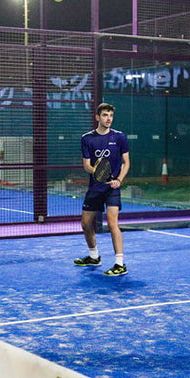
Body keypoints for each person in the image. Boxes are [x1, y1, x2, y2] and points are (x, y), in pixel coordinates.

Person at [73, 103, 131, 276]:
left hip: (112, 188)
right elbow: (87, 165)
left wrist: (119, 180)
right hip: (95, 188)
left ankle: (120, 264)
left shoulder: (120, 137)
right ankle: (94, 256)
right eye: (105, 115)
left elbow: (126, 162)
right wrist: (100, 174)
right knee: (85, 224)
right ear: (98, 117)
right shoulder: (87, 139)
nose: (108, 119)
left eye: (111, 116)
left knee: (113, 223)